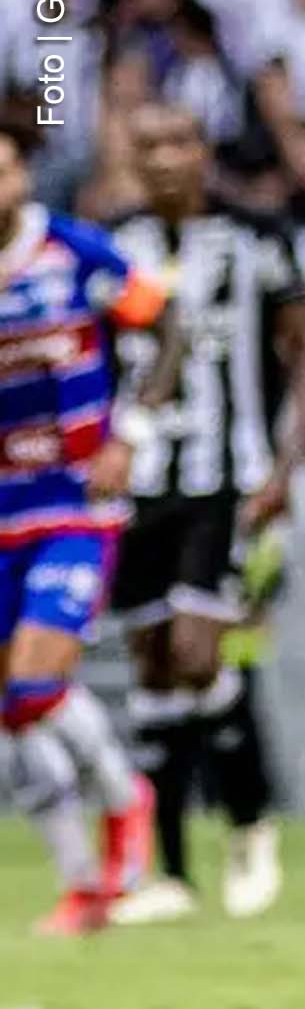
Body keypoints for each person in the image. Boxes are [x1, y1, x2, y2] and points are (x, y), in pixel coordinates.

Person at [104, 105, 305, 924]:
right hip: (137, 483)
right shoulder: (115, 243)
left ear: (202, 151)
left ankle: (249, 821)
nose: (165, 160)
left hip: (224, 478)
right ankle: (166, 873)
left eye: (178, 144)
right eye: (149, 146)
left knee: (199, 654)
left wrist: (286, 460)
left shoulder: (254, 237)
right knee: (155, 672)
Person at [0, 125, 179, 935]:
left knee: (36, 686)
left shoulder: (73, 252)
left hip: (74, 504)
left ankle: (125, 800)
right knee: (14, 710)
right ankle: (85, 884)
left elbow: (167, 325)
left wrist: (130, 433)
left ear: (22, 176)